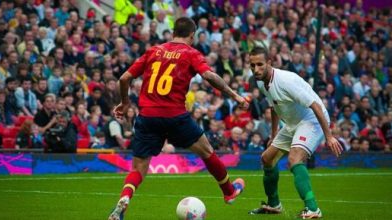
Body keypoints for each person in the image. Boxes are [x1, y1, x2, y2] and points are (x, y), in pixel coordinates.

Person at [109, 17, 249, 220]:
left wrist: (125, 102)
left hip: (148, 116)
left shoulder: (153, 50)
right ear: (192, 36)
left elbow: (124, 78)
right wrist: (235, 96)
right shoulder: (190, 53)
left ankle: (124, 201)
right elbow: (209, 77)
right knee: (207, 151)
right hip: (175, 116)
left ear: (174, 32)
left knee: (139, 167)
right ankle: (229, 192)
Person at [247, 47, 343, 218]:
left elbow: (315, 105)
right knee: (267, 159)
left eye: (260, 64)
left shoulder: (286, 80)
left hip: (311, 120)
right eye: (252, 65)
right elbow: (274, 106)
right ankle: (274, 204)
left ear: (269, 62)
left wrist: (329, 136)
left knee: (294, 159)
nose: (256, 69)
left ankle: (313, 209)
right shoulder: (261, 82)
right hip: (292, 123)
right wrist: (274, 133)